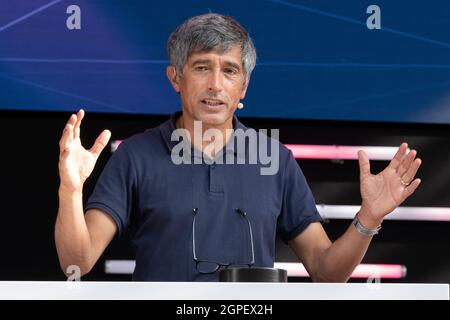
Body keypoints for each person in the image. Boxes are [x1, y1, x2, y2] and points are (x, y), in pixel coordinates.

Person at [55, 13, 422, 281]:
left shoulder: (275, 160)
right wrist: (70, 191)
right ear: (175, 78)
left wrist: (369, 219)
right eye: (201, 68)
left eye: (229, 71)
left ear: (243, 87)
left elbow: (326, 272)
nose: (215, 84)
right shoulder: (135, 156)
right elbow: (78, 262)